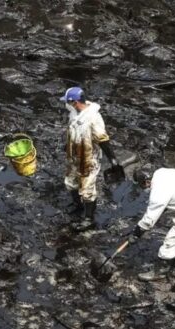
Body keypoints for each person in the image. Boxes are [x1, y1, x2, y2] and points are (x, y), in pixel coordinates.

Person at [60, 87, 121, 230]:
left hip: (88, 158)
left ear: (75, 102)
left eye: (68, 102)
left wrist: (113, 160)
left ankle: (89, 219)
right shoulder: (74, 111)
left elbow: (102, 139)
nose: (66, 105)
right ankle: (78, 205)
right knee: (70, 183)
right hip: (74, 156)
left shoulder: (93, 117)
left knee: (87, 190)